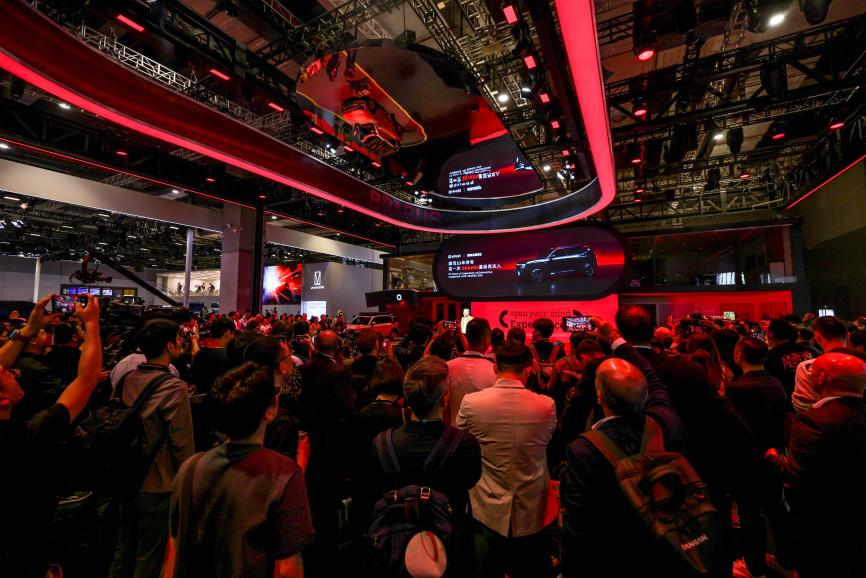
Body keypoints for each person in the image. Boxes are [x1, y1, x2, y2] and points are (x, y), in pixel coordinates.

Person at [560, 315, 686, 578]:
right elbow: (651, 377)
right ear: (647, 394)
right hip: (665, 550)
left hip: (610, 556)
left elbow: (578, 526)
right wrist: (616, 339)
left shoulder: (584, 450)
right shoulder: (666, 424)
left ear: (600, 397)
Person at [166, 362, 315, 578]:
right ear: (270, 410)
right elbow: (287, 569)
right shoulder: (284, 474)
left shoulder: (189, 468)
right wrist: (301, 462)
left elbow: (174, 551)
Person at [0, 294, 102, 578]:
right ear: (3, 399)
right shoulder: (29, 434)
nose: (13, 370)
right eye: (7, 374)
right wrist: (92, 325)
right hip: (24, 553)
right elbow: (87, 379)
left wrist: (27, 332)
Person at [364, 356, 481, 575]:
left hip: (394, 548)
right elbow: (470, 480)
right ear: (444, 399)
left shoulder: (381, 443)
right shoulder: (464, 444)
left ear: (407, 398)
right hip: (448, 547)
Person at [457, 340, 557, 578]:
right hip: (533, 508)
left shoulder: (471, 403)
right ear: (528, 369)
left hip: (485, 506)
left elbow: (461, 443)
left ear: (495, 368)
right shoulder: (546, 406)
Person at [766, 353, 866, 578]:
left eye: (812, 372)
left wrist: (774, 459)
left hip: (824, 525)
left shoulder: (813, 420)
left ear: (821, 378)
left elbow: (796, 477)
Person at [110, 319, 195, 578]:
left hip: (125, 476)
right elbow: (182, 443)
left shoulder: (126, 378)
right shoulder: (174, 386)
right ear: (169, 345)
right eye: (178, 339)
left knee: (123, 549)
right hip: (158, 482)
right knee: (149, 555)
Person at [726, 337, 794, 577]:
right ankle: (785, 560)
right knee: (777, 509)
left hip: (748, 460)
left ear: (738, 354)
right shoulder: (776, 383)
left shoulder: (735, 388)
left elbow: (735, 429)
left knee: (750, 513)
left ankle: (754, 566)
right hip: (774, 457)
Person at [298, 330, 356, 575]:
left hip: (307, 440)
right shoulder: (340, 372)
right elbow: (344, 414)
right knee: (329, 505)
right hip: (330, 444)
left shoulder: (304, 369)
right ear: (338, 348)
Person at [792, 316, 866, 412]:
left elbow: (804, 407)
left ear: (817, 337)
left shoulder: (808, 367)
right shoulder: (862, 361)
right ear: (848, 335)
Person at [444, 318, 496, 425]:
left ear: (467, 337)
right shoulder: (494, 371)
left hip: (453, 431)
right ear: (486, 340)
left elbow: (444, 409)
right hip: (483, 433)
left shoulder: (447, 368)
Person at [765, 319, 814, 397]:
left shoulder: (772, 354)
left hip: (787, 396)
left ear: (771, 334)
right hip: (811, 392)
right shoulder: (809, 349)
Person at [189, 317, 235, 392]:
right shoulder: (224, 357)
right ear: (228, 333)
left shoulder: (200, 353)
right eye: (233, 333)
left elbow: (193, 378)